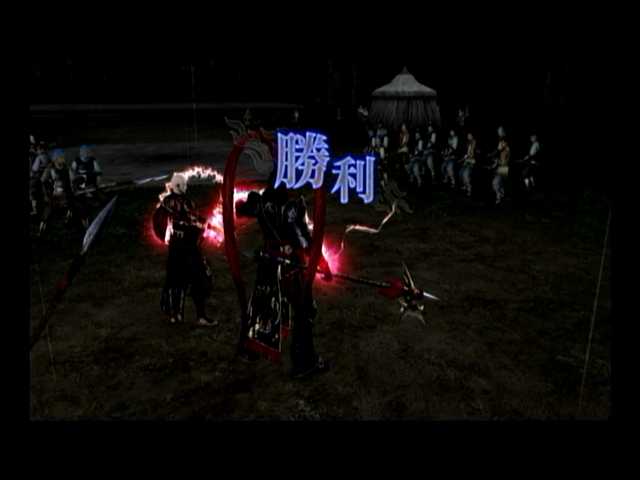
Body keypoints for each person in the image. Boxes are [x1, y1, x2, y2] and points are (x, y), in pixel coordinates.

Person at [236, 185, 332, 378]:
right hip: (288, 266)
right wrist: (321, 263)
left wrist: (243, 204)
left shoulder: (263, 200)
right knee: (303, 310)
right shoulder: (291, 205)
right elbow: (302, 238)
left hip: (269, 262)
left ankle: (250, 350)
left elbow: (242, 210)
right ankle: (304, 363)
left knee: (264, 305)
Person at [156, 173, 216, 327]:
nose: (186, 187)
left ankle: (182, 315)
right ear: (178, 186)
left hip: (181, 247)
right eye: (184, 185)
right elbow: (185, 220)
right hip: (184, 247)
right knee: (192, 278)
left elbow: (191, 218)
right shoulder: (174, 203)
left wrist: (204, 225)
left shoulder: (173, 202)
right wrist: (200, 225)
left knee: (182, 279)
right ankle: (186, 315)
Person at [39, 148, 80, 235]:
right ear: (56, 158)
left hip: (66, 193)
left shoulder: (67, 167)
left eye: (63, 157)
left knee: (74, 205)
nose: (63, 158)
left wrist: (74, 186)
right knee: (47, 212)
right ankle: (41, 230)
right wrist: (47, 194)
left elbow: (73, 179)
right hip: (54, 194)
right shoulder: (50, 168)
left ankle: (68, 220)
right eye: (61, 157)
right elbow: (43, 181)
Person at [491, 127, 511, 204]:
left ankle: (499, 197)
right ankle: (501, 196)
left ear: (503, 132)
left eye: (500, 131)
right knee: (500, 182)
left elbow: (501, 150)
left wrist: (493, 155)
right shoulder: (501, 140)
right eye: (498, 131)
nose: (498, 133)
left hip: (504, 165)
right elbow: (499, 151)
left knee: (496, 182)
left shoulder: (505, 140)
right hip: (502, 165)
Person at [30, 142, 50, 216]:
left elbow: (34, 169)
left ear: (40, 149)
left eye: (38, 149)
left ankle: (35, 209)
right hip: (45, 179)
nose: (37, 150)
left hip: (38, 179)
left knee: (32, 191)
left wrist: (32, 174)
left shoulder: (39, 157)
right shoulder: (47, 156)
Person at [459, 132, 477, 197]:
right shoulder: (468, 143)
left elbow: (473, 153)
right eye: (468, 136)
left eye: (470, 135)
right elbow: (466, 152)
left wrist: (469, 156)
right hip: (467, 161)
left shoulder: (474, 142)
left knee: (466, 174)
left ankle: (469, 189)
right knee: (461, 173)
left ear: (472, 136)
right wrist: (464, 158)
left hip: (472, 162)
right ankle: (465, 185)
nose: (468, 137)